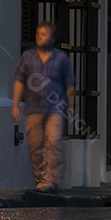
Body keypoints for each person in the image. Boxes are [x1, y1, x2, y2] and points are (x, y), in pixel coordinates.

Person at [11, 22, 76, 193]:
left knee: (53, 142)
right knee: (35, 146)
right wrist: (15, 104)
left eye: (44, 34)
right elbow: (19, 79)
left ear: (52, 38)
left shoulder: (61, 58)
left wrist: (71, 107)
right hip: (34, 108)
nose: (40, 37)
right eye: (38, 33)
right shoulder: (28, 57)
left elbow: (70, 84)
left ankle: (50, 180)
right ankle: (41, 179)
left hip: (55, 108)